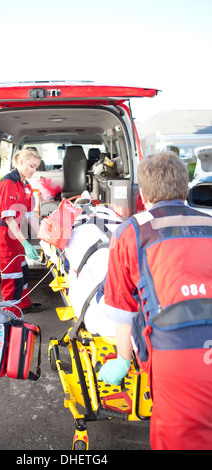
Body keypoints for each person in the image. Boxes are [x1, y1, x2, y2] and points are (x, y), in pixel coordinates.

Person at [99, 150, 212, 450]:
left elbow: (123, 311)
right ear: (186, 187)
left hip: (175, 355)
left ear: (143, 194)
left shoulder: (132, 231)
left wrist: (123, 360)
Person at [0, 148, 43, 314]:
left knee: (23, 272)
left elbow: (30, 215)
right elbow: (8, 219)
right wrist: (25, 242)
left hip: (18, 237)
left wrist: (43, 237)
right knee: (12, 279)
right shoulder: (8, 183)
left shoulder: (26, 186)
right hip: (7, 238)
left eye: (36, 167)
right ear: (20, 162)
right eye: (31, 166)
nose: (33, 170)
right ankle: (11, 315)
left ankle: (23, 305)